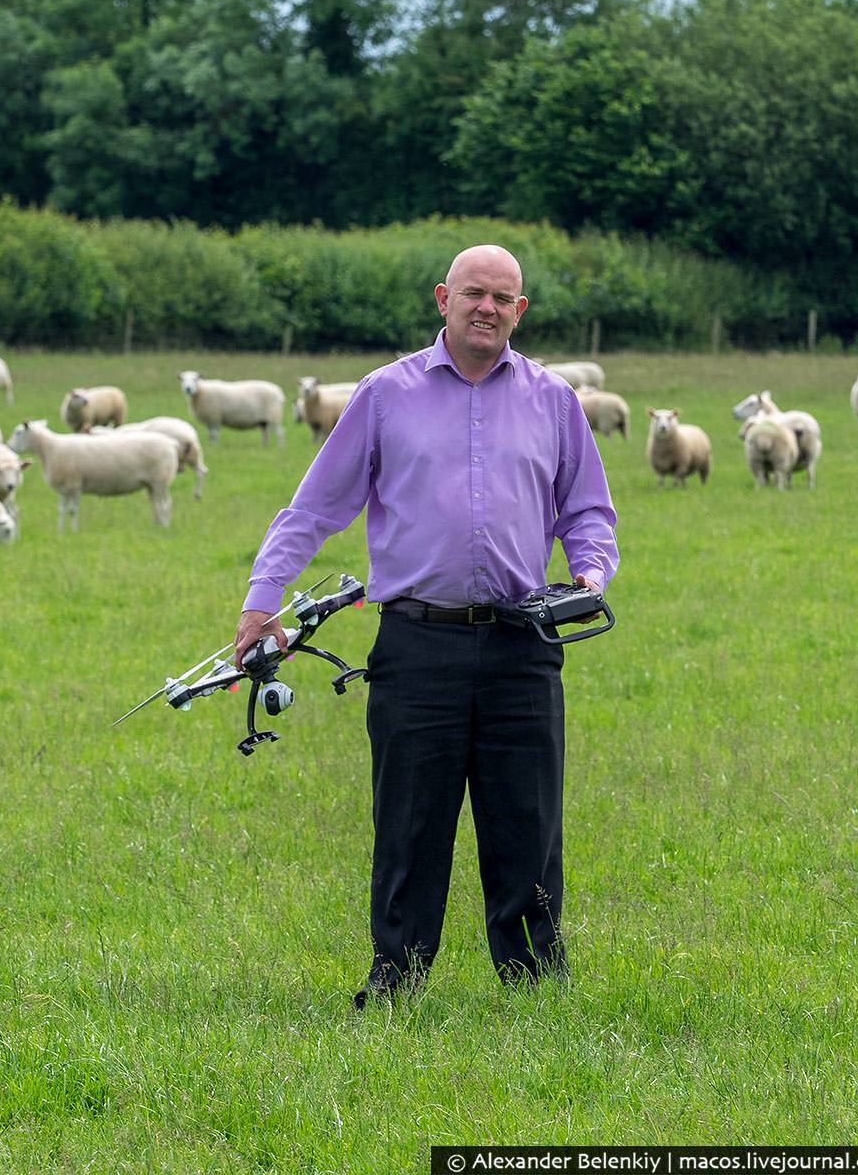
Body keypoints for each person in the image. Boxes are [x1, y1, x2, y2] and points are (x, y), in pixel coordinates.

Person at [232, 244, 619, 1004]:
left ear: (521, 310)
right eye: (474, 293)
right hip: (416, 642)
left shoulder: (553, 400)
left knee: (528, 822)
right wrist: (262, 597)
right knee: (410, 823)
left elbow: (589, 510)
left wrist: (589, 570)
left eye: (503, 298)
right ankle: (397, 981)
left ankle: (536, 983)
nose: (488, 308)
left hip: (522, 643)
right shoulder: (385, 395)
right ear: (444, 297)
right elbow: (314, 508)